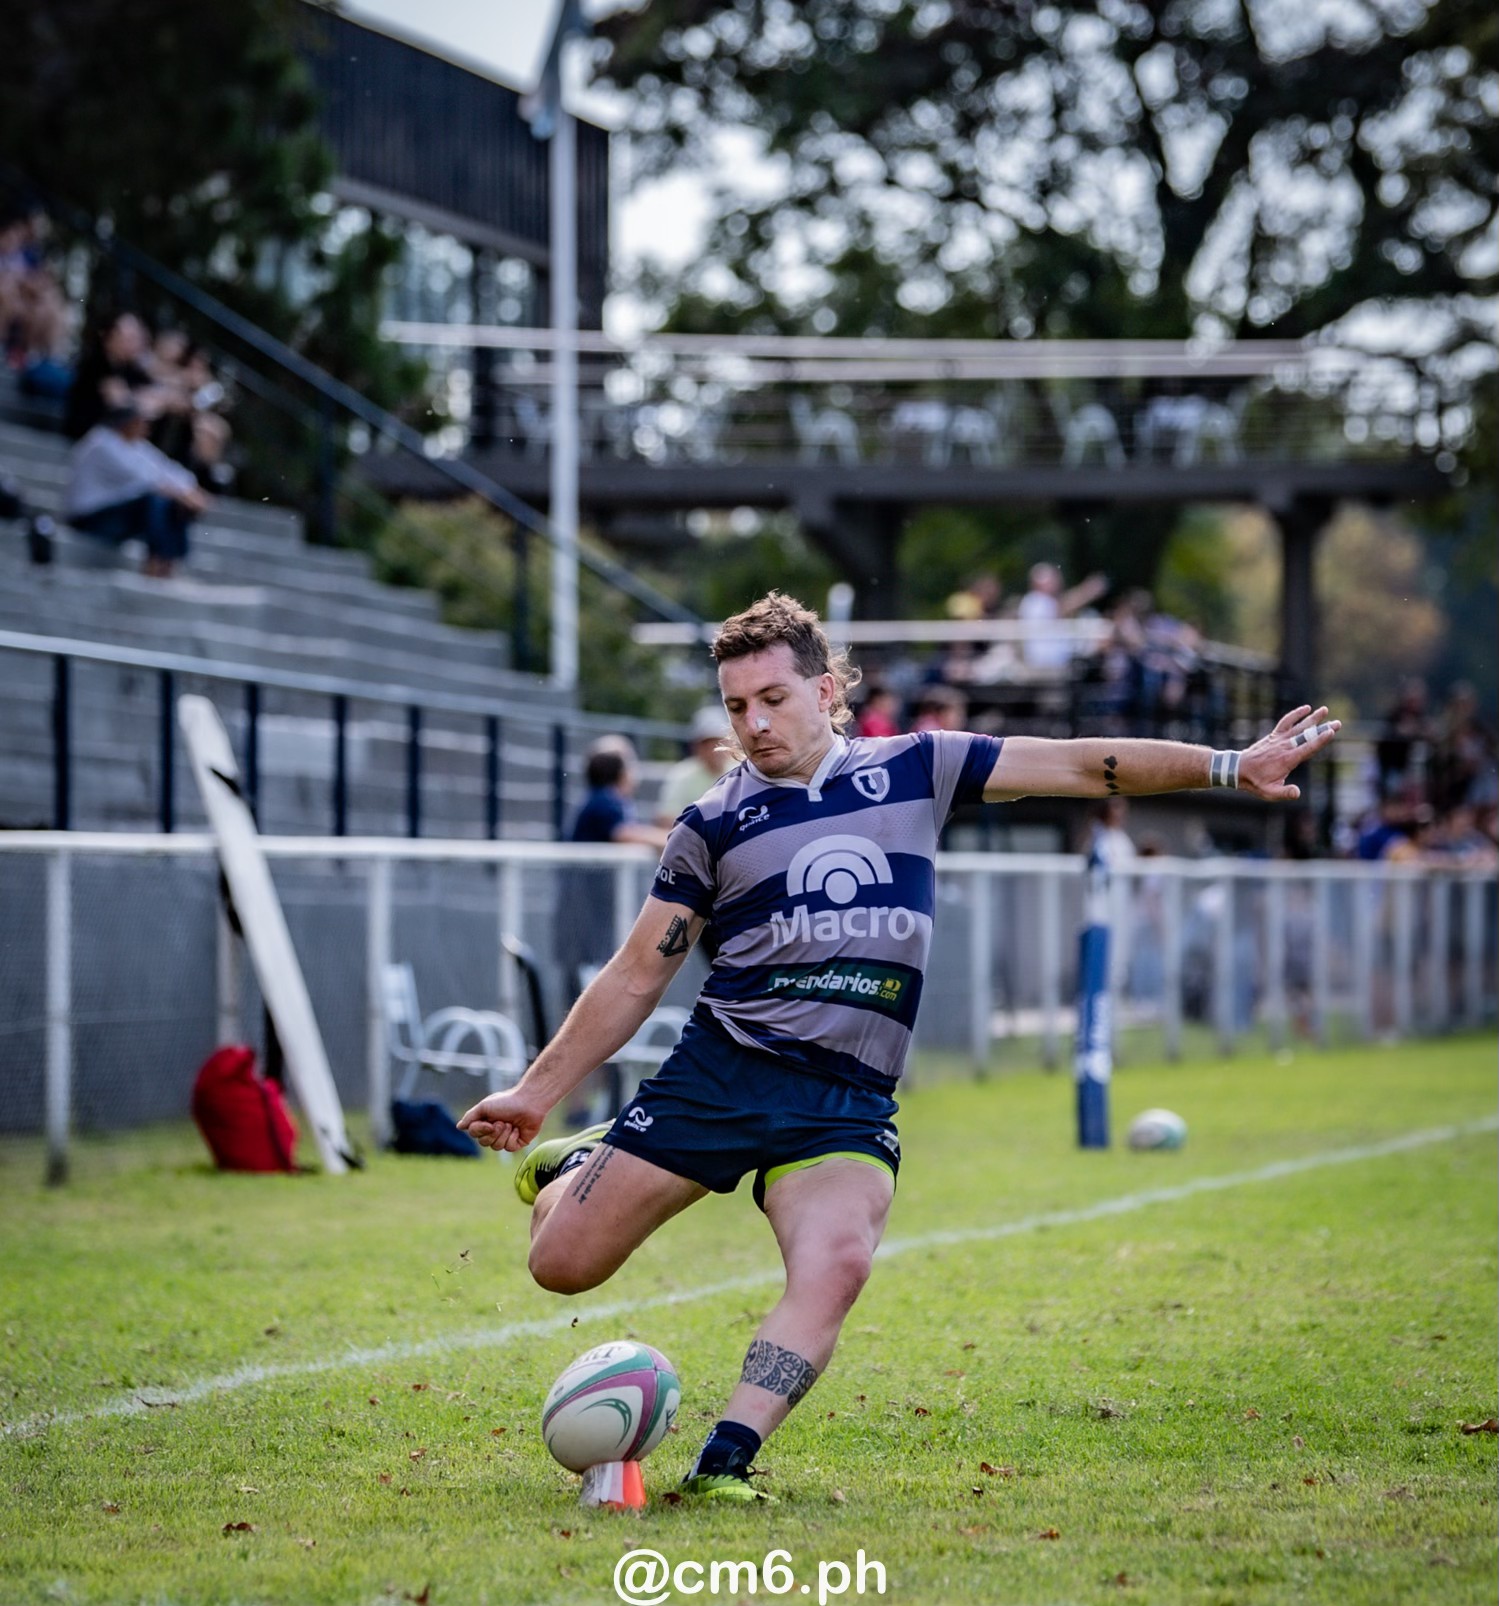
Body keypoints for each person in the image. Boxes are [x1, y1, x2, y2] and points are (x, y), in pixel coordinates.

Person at [459, 590, 1339, 1502]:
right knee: (559, 1266)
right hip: (722, 1073)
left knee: (837, 1262)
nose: (754, 723)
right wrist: (534, 1093)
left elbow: (1080, 765)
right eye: (735, 707)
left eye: (773, 699)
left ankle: (725, 1461)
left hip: (845, 1100)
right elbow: (637, 974)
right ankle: (580, 1164)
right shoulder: (711, 823)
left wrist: (1233, 764)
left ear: (826, 688)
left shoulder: (918, 767)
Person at [64, 402, 209, 576]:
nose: (147, 428)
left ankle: (168, 563)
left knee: (174, 505)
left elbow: (171, 471)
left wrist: (191, 492)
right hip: (89, 518)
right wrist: (184, 494)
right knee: (156, 500)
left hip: (117, 514)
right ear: (129, 422)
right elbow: (146, 480)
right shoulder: (101, 442)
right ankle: (156, 562)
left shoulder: (136, 446)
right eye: (143, 422)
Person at [1017, 561, 1108, 671]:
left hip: (1053, 662)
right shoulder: (1036, 600)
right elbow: (1064, 607)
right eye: (1051, 580)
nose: (1056, 582)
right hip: (1045, 664)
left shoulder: (1042, 601)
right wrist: (1088, 591)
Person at [655, 705, 734, 828]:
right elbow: (666, 818)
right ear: (696, 746)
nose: (715, 749)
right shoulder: (681, 775)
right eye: (707, 743)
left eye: (719, 742)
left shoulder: (742, 771)